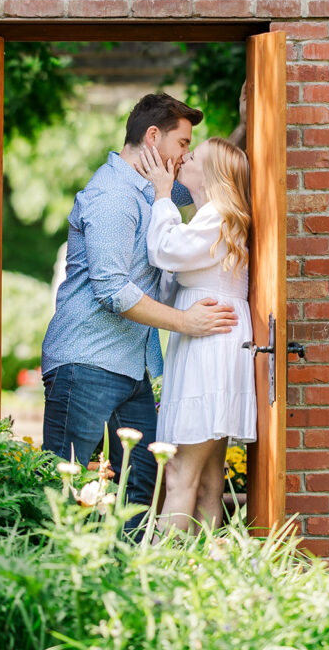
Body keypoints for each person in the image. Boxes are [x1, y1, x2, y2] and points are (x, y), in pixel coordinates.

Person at [40, 93, 239, 511]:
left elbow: (218, 176)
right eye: (183, 144)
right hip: (87, 361)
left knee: (140, 488)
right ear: (154, 137)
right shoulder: (113, 195)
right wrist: (185, 321)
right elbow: (113, 290)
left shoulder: (156, 189)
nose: (185, 158)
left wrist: (246, 125)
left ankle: (126, 575)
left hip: (132, 368)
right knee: (63, 487)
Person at [138, 137, 256, 531]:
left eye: (192, 155)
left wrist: (160, 194)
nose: (183, 158)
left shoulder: (218, 214)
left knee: (178, 473)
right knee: (206, 480)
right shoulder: (215, 216)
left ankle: (160, 571)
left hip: (209, 347)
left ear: (210, 175)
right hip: (210, 342)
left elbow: (167, 250)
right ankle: (202, 569)